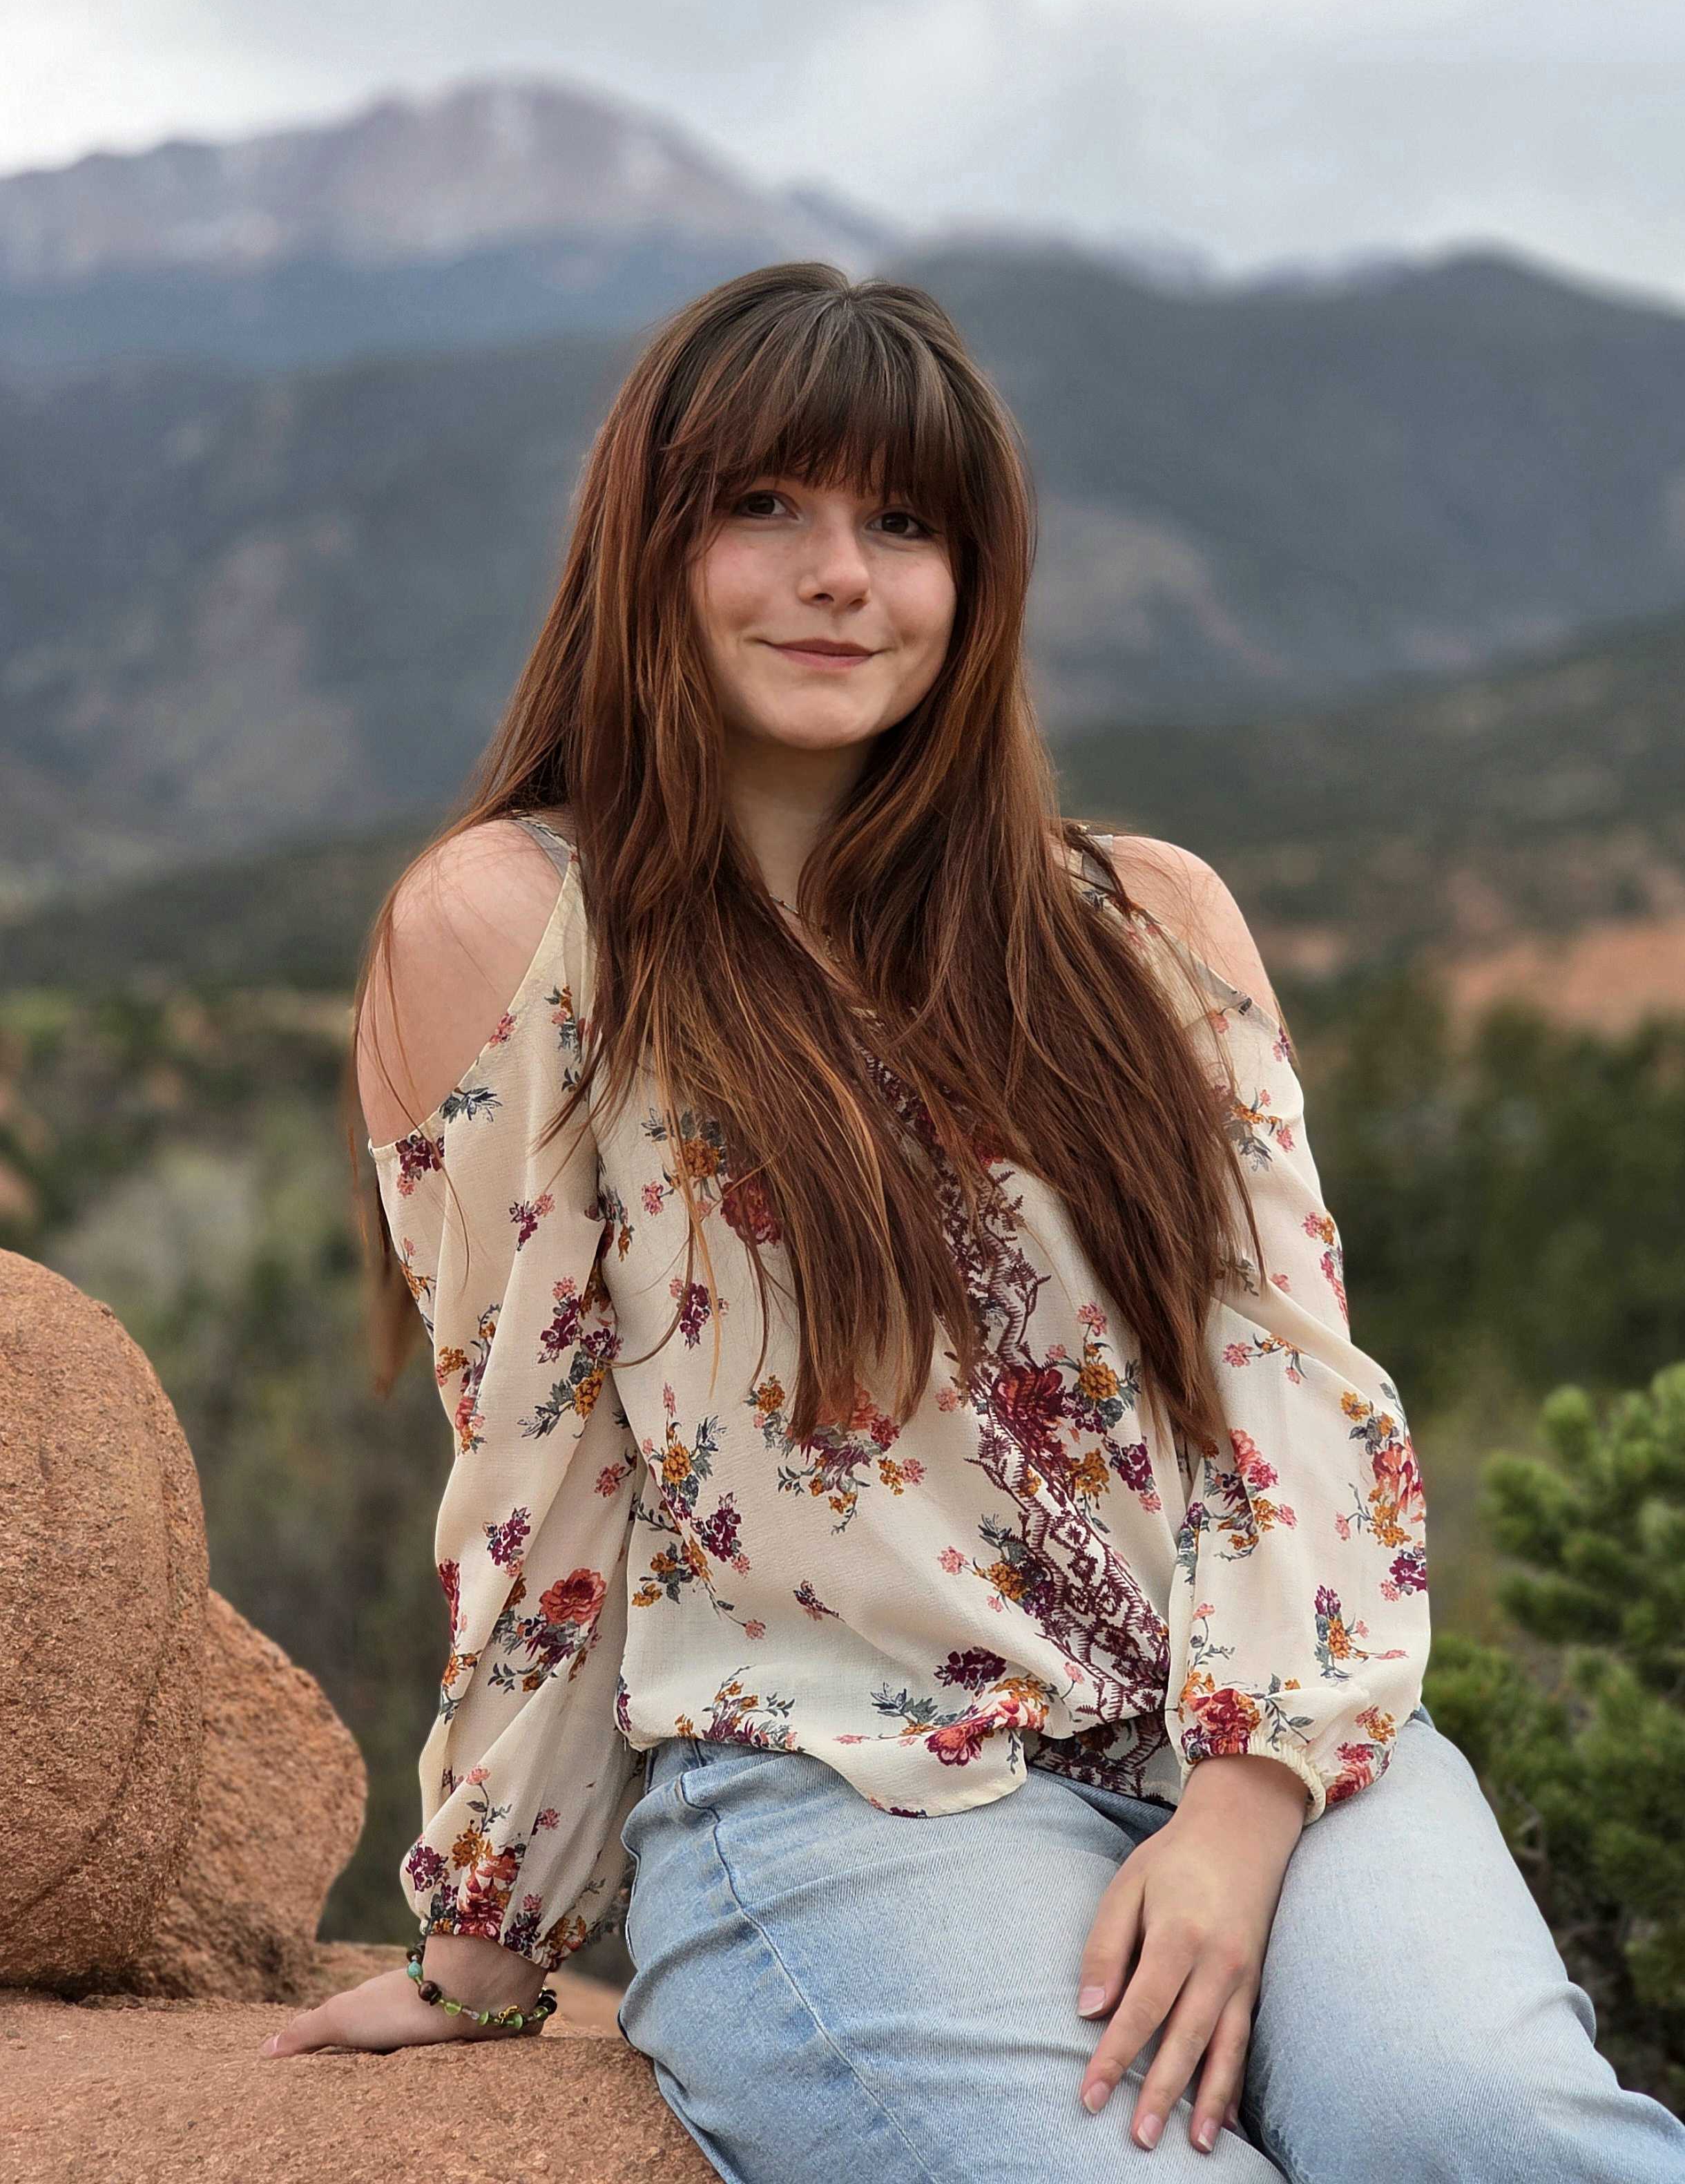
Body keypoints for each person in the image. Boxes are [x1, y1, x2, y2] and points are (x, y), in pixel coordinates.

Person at [260, 263, 1685, 2182]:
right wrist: (490, 1923)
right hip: (843, 1790)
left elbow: (1296, 1403)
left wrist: (1248, 1805)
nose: (838, 572)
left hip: (1260, 1730)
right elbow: (544, 1461)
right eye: (764, 505)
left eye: (902, 523)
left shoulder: (1145, 922)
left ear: (976, 580)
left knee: (1495, 2133)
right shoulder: (519, 931)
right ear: (646, 541)